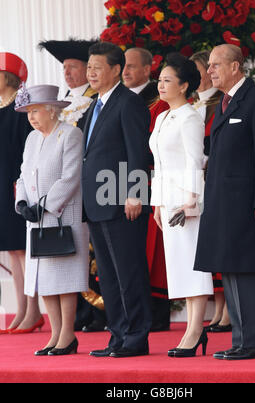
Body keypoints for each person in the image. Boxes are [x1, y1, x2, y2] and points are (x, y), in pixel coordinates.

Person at [194, 44, 255, 360]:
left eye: (216, 65)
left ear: (235, 67)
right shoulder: (226, 102)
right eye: (210, 66)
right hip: (223, 203)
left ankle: (254, 342)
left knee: (244, 271)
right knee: (229, 270)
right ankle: (241, 339)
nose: (210, 71)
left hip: (246, 205)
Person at [83, 42, 152, 358]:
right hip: (97, 201)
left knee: (128, 272)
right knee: (108, 276)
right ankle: (118, 336)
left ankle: (136, 338)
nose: (91, 72)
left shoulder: (129, 103)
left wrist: (135, 192)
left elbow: (138, 152)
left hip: (122, 200)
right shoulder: (93, 106)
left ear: (115, 69)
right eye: (89, 66)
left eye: (97, 66)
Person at [15, 84, 89, 355]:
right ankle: (55, 335)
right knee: (43, 280)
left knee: (64, 279)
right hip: (34, 220)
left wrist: (45, 206)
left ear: (52, 110)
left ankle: (67, 335)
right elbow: (23, 174)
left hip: (62, 217)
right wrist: (22, 202)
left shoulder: (70, 134)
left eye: (35, 111)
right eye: (28, 112)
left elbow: (70, 177)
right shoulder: (32, 139)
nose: (31, 117)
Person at [39, 38, 107, 332]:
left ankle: (100, 312)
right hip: (60, 190)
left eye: (74, 67)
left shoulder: (94, 100)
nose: (67, 72)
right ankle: (77, 313)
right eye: (64, 68)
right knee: (67, 251)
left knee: (91, 252)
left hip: (86, 186)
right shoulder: (62, 101)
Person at [150, 52, 214, 358]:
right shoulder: (162, 116)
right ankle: (192, 330)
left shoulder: (190, 116)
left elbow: (194, 161)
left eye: (167, 80)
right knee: (178, 266)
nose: (161, 85)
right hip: (168, 200)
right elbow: (158, 165)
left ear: (184, 84)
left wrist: (190, 202)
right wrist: (158, 204)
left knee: (192, 265)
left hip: (186, 201)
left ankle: (195, 330)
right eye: (160, 80)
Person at [123, 47, 170, 332]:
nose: (126, 71)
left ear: (147, 69)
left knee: (153, 252)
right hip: (118, 179)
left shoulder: (158, 102)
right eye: (123, 66)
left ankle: (156, 313)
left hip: (150, 181)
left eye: (131, 66)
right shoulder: (120, 99)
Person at [0, 52, 42, 335]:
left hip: (18, 184)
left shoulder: (21, 108)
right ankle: (21, 310)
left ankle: (34, 310)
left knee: (24, 250)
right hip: (3, 185)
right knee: (13, 251)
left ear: (7, 77)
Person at [191, 50, 231, 333]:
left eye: (199, 70)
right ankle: (217, 309)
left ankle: (227, 309)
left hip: (216, 178)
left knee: (224, 240)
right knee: (208, 243)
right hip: (196, 182)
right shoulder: (192, 103)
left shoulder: (221, 100)